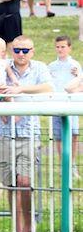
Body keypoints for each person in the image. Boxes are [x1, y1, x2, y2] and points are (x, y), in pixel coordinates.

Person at [0, 35, 52, 232]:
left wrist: (20, 89)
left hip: (28, 133)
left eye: (25, 51)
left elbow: (48, 88)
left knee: (24, 182)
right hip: (3, 132)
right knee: (9, 184)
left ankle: (27, 227)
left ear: (32, 51)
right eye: (17, 50)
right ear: (11, 51)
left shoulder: (39, 68)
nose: (21, 54)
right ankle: (17, 230)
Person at [48, 35, 81, 163]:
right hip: (56, 102)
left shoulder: (74, 65)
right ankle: (63, 162)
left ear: (69, 48)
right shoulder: (51, 66)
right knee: (58, 135)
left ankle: (72, 163)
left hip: (70, 103)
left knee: (73, 134)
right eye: (58, 47)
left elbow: (80, 83)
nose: (60, 49)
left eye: (63, 47)